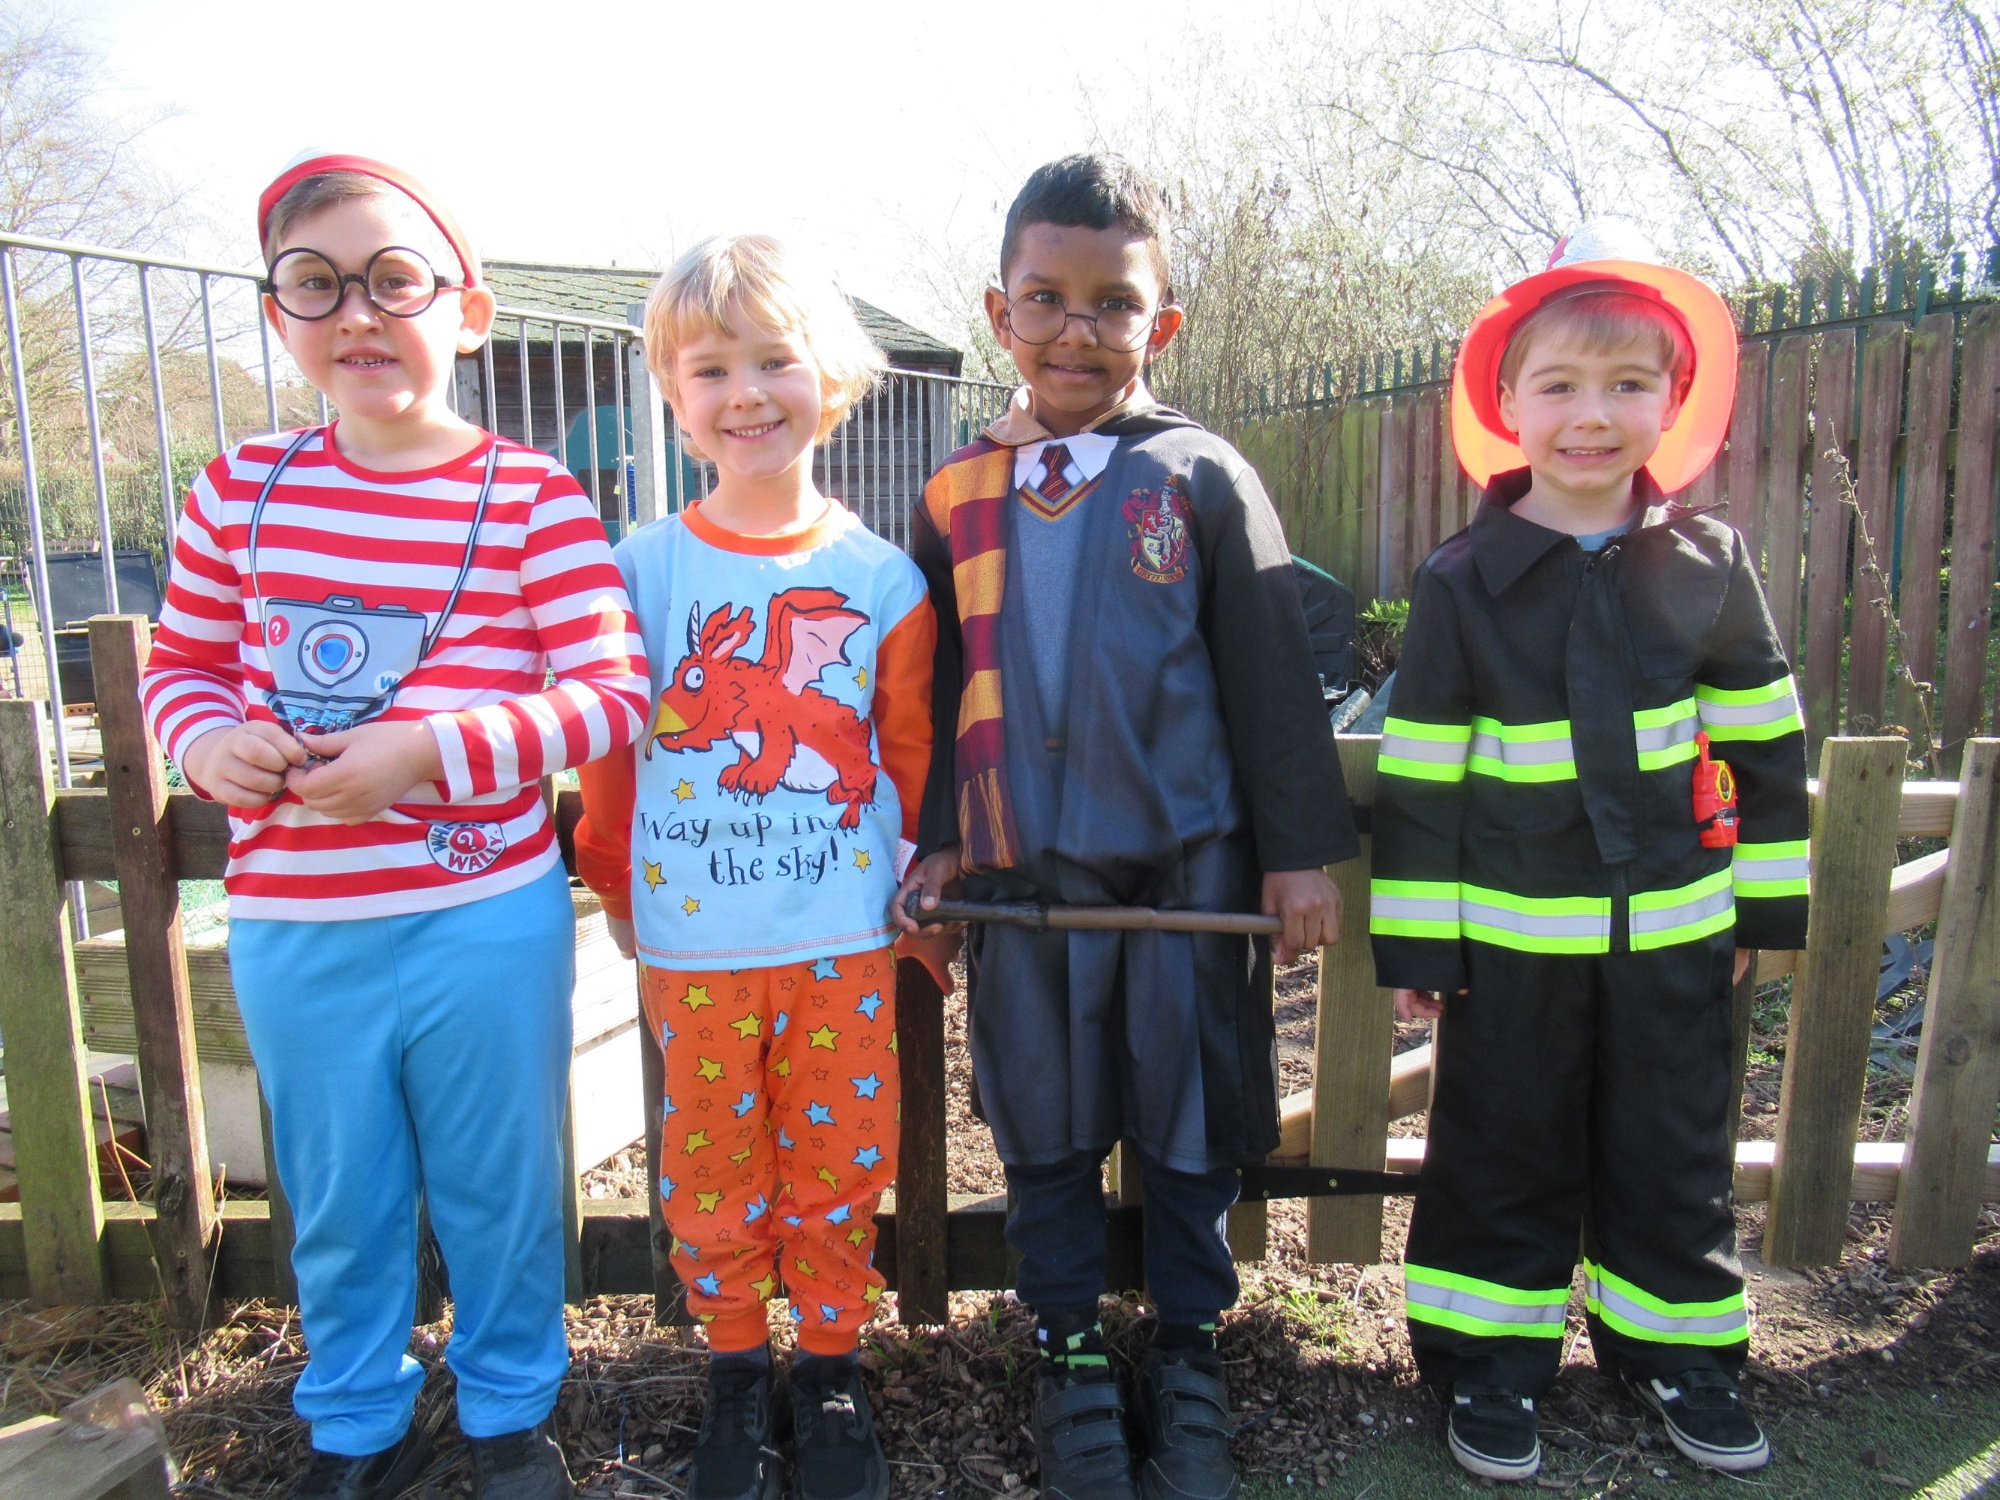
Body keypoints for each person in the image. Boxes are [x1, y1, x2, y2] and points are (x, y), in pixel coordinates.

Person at [140, 152, 652, 1499]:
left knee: (499, 1185)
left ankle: (507, 1411)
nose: (358, 313)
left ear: (466, 310)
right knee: (340, 1190)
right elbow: (178, 672)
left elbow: (610, 696)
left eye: (393, 280)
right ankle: (357, 1421)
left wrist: (428, 749)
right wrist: (208, 743)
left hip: (483, 914)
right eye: (317, 285)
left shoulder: (536, 496)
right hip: (298, 920)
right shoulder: (236, 491)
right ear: (279, 316)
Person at [893, 153, 1357, 1500]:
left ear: (1164, 322)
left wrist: (1293, 851)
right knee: (1042, 1120)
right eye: (1048, 299)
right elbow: (923, 687)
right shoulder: (955, 493)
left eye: (1114, 303)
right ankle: (1071, 1350)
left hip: (1188, 873)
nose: (1078, 330)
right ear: (1000, 312)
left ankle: (1192, 1347)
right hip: (1020, 876)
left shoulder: (1203, 477)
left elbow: (1272, 677)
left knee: (1190, 1115)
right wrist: (933, 839)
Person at [1371, 222, 1811, 1482]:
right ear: (1505, 406)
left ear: (1672, 404)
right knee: (1497, 1152)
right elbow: (1419, 782)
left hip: (1676, 940)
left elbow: (1765, 752)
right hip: (1511, 948)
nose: (1590, 415)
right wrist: (1420, 937)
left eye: (1626, 386)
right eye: (1557, 385)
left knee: (1670, 1152)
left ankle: (1676, 1353)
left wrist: (1759, 915)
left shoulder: (1709, 566)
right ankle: (1487, 1368)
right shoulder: (1460, 581)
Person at [573, 234, 933, 1500]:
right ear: (672, 398)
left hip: (840, 938)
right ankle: (736, 1371)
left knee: (840, 1165)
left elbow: (903, 753)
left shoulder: (876, 579)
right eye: (710, 367)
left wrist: (915, 900)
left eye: (774, 360)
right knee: (711, 1166)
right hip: (697, 946)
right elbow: (617, 751)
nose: (746, 393)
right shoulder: (641, 572)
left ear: (827, 380)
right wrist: (615, 883)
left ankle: (828, 1371)